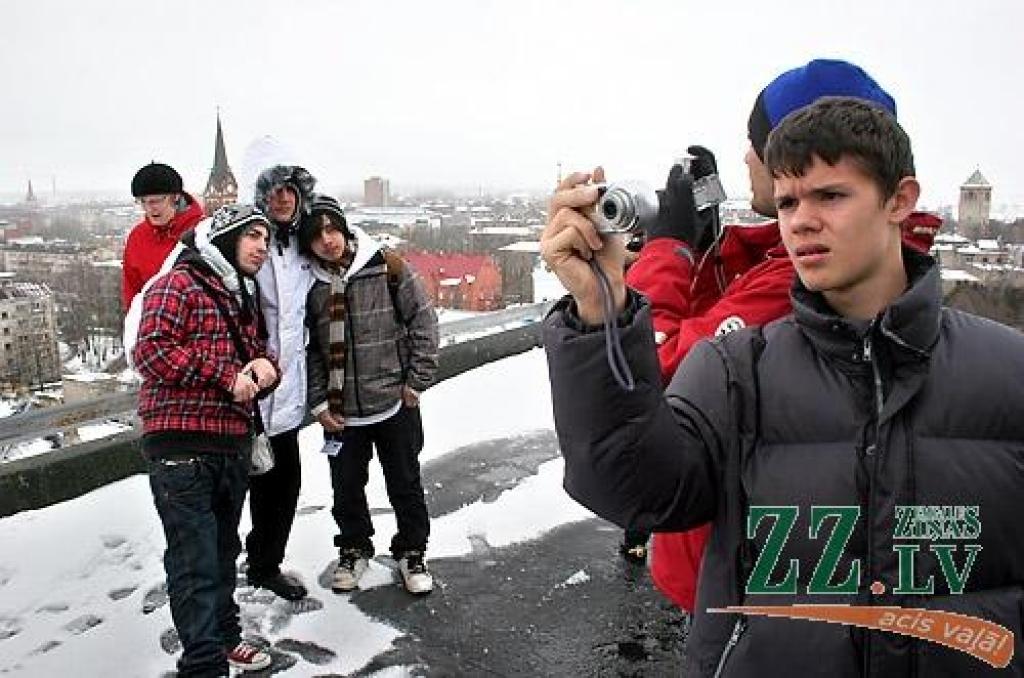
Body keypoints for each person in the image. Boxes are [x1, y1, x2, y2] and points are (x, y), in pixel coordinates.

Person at [541, 98, 1024, 675]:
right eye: (789, 200)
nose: (800, 220)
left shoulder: (1008, 375)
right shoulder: (734, 372)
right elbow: (634, 489)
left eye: (830, 196)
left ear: (900, 200)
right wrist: (600, 314)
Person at [623, 59, 941, 605]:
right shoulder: (798, 258)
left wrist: (666, 250)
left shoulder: (804, 275)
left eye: (758, 144)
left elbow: (662, 371)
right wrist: (704, 248)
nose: (748, 157)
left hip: (743, 586)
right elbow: (716, 332)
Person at [134, 204, 280, 676]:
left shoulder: (243, 296)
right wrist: (226, 376)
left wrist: (265, 368)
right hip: (180, 447)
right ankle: (202, 665)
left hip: (230, 443)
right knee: (194, 560)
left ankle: (225, 638)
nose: (263, 247)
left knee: (221, 552)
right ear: (226, 238)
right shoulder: (177, 283)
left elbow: (255, 358)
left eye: (267, 239)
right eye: (254, 236)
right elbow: (151, 351)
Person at [299, 194, 439, 595]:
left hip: (394, 402)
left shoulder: (386, 266)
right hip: (342, 412)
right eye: (316, 235)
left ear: (344, 228)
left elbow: (423, 322)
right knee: (345, 488)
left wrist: (416, 382)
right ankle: (354, 548)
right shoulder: (311, 284)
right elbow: (307, 348)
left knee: (406, 483)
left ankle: (412, 552)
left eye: (332, 229)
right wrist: (319, 402)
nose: (327, 240)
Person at [242, 164, 318, 601]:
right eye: (275, 191)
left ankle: (266, 564)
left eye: (291, 191)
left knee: (284, 485)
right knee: (239, 489)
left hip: (287, 391)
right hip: (246, 391)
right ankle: (221, 574)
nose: (284, 198)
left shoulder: (303, 244)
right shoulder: (248, 242)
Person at [123, 162, 205, 309]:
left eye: (157, 201)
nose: (150, 208)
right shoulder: (137, 237)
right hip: (153, 325)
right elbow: (132, 294)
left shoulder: (203, 231)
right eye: (143, 201)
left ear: (176, 197)